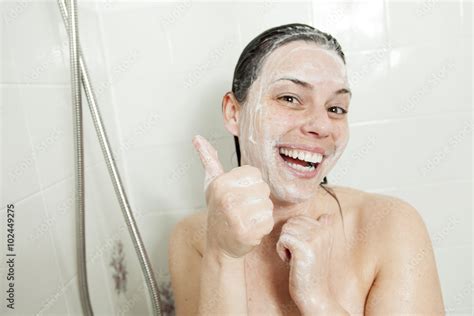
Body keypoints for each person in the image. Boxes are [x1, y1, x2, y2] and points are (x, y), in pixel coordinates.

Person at [168, 23, 445, 315]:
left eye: (336, 108)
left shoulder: (390, 225)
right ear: (233, 113)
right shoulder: (194, 237)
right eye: (290, 98)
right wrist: (223, 255)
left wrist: (317, 299)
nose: (322, 125)